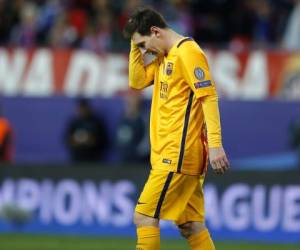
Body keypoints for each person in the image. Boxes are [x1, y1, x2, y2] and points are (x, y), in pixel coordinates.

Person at [123, 7, 230, 250]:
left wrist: (215, 145)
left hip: (177, 155)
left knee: (144, 217)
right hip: (173, 155)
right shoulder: (165, 55)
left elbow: (208, 97)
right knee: (190, 225)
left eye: (142, 44)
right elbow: (137, 81)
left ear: (155, 31)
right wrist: (134, 43)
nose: (143, 52)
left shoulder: (187, 52)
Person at [64, 98, 108, 163]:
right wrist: (77, 141)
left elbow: (103, 141)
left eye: (84, 108)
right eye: (80, 108)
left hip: (93, 160)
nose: (82, 111)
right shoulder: (74, 123)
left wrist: (90, 140)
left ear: (88, 108)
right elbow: (67, 140)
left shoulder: (96, 123)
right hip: (76, 159)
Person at [116, 90, 149, 163]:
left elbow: (146, 143)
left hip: (139, 160)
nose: (130, 102)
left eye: (133, 100)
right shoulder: (122, 119)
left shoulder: (144, 119)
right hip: (124, 160)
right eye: (128, 101)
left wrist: (137, 154)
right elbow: (119, 139)